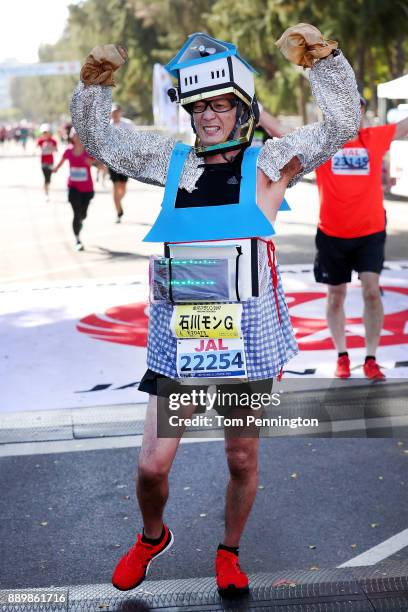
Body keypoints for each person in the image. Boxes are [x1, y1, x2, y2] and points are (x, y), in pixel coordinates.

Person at [71, 25, 359, 596]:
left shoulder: (273, 159)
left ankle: (229, 552)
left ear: (241, 109)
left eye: (221, 105)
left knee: (241, 456)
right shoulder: (170, 158)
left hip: (246, 338)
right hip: (182, 335)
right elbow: (100, 142)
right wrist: (94, 84)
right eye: (200, 106)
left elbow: (342, 124)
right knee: (152, 466)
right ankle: (153, 535)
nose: (208, 116)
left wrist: (324, 60)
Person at [314, 96, 408, 380]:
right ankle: (342, 355)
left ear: (363, 112)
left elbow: (404, 126)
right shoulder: (322, 143)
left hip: (370, 232)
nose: (354, 113)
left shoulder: (374, 138)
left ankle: (370, 358)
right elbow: (281, 132)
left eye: (359, 108)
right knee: (335, 297)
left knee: (371, 291)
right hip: (332, 233)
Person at [52, 128, 95, 251]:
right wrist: (55, 169)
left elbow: (100, 166)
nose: (77, 136)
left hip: (87, 188)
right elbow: (61, 163)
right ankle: (77, 239)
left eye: (79, 134)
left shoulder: (89, 151)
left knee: (83, 214)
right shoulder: (68, 151)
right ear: (71, 137)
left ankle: (80, 221)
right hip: (73, 187)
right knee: (76, 213)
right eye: (75, 134)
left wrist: (91, 163)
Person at [108, 103, 135, 222]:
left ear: (120, 112)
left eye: (116, 112)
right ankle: (118, 211)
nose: (115, 114)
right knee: (115, 185)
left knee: (123, 187)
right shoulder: (107, 126)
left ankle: (118, 202)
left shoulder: (128, 124)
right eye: (113, 112)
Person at [36, 124, 58, 201]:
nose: (45, 134)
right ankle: (46, 194)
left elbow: (56, 150)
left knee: (49, 179)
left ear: (49, 133)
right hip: (43, 162)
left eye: (46, 132)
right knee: (45, 178)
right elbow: (36, 148)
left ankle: (46, 187)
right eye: (44, 133)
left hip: (51, 162)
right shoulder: (40, 140)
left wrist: (51, 147)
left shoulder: (53, 141)